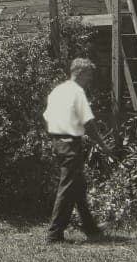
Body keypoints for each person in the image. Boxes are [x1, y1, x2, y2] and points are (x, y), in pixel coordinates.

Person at [43, 57, 114, 244]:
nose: (90, 80)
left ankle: (91, 229)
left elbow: (47, 117)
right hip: (70, 145)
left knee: (78, 187)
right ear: (80, 73)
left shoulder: (57, 91)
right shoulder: (77, 92)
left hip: (58, 142)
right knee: (67, 189)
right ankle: (54, 235)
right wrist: (104, 146)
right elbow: (88, 123)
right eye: (89, 75)